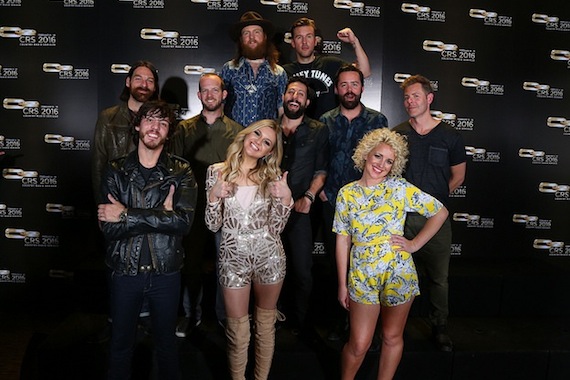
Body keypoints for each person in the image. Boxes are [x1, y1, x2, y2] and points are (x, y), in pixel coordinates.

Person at [334, 128, 449, 380]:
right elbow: (343, 240)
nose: (381, 165)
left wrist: (414, 244)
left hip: (398, 272)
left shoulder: (399, 188)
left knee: (391, 336)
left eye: (389, 161)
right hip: (362, 274)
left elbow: (440, 212)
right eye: (378, 157)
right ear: (366, 155)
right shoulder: (347, 193)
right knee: (359, 344)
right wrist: (342, 284)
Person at [98, 100, 197, 379]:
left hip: (166, 272)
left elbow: (183, 223)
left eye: (163, 123)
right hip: (124, 271)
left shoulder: (181, 171)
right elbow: (109, 229)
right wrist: (160, 216)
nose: (156, 127)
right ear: (138, 125)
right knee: (120, 347)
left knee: (167, 348)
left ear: (169, 133)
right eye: (150, 120)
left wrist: (126, 215)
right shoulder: (115, 170)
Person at [205, 119, 293, 380]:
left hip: (270, 258)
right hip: (232, 260)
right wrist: (213, 196)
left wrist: (286, 199)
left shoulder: (273, 177)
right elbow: (212, 225)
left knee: (265, 327)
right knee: (237, 331)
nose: (258, 142)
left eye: (267, 142)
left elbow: (276, 227)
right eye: (257, 134)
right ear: (245, 135)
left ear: (269, 151)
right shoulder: (217, 172)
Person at [393, 74, 467, 352]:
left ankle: (440, 326)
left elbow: (458, 176)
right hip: (401, 219)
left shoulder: (450, 136)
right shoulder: (398, 133)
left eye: (416, 96)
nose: (410, 101)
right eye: (407, 97)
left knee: (439, 278)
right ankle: (390, 326)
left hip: (436, 221)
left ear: (429, 99)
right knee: (394, 275)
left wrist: (434, 204)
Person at [319, 64, 388, 340]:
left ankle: (362, 325)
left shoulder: (377, 121)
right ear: (337, 89)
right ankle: (339, 320)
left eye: (354, 84)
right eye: (344, 85)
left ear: (362, 87)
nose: (349, 90)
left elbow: (386, 162)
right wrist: (322, 189)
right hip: (332, 202)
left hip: (366, 208)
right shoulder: (324, 120)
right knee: (335, 264)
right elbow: (318, 158)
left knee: (363, 266)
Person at [171, 73, 243, 337]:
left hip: (226, 210)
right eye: (205, 90)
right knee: (190, 266)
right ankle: (191, 316)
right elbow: (174, 170)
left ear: (224, 94)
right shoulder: (183, 129)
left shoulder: (238, 132)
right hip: (192, 208)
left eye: (215, 90)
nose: (210, 94)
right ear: (199, 96)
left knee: (228, 266)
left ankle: (226, 317)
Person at [277, 77, 329, 335]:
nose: (294, 96)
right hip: (268, 211)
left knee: (302, 271)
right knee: (268, 270)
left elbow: (321, 170)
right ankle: (269, 318)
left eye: (300, 94)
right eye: (290, 92)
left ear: (307, 102)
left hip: (299, 210)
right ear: (284, 97)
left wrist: (308, 197)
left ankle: (299, 322)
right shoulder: (267, 127)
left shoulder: (318, 130)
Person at [92, 60, 160, 203]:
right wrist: (102, 204)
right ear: (128, 82)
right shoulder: (108, 118)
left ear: (154, 88)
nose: (144, 85)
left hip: (150, 203)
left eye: (149, 81)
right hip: (115, 199)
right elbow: (98, 166)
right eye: (138, 79)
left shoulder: (160, 123)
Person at [283, 17, 371, 119]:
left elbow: (364, 71)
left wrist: (354, 41)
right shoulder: (284, 72)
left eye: (309, 36)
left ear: (315, 41)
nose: (304, 42)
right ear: (293, 43)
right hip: (299, 131)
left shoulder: (331, 64)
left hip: (329, 130)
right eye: (299, 37)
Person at [221, 11, 287, 126]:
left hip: (265, 140)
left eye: (256, 32)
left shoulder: (279, 73)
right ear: (241, 39)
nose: (252, 38)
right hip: (235, 139)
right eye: (246, 33)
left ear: (265, 36)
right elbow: (220, 106)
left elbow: (282, 111)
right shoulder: (229, 69)